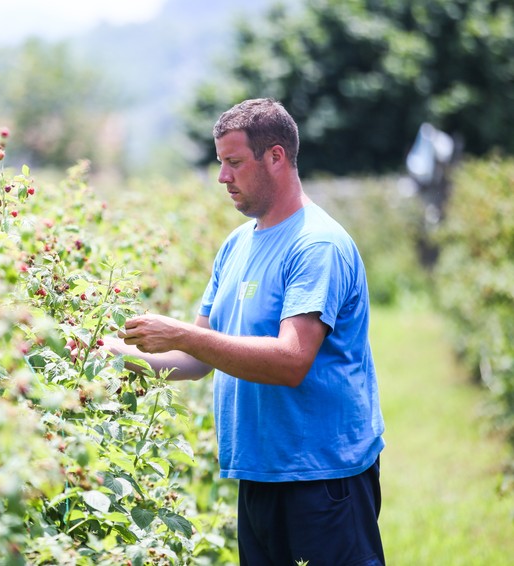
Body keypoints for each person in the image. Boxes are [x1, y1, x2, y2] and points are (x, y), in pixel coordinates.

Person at [106, 98, 386, 565]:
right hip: (260, 472)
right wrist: (111, 355)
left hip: (321, 478)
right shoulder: (237, 245)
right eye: (220, 163)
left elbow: (291, 360)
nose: (222, 177)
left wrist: (182, 334)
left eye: (234, 163)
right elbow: (196, 361)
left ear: (276, 157)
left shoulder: (317, 245)